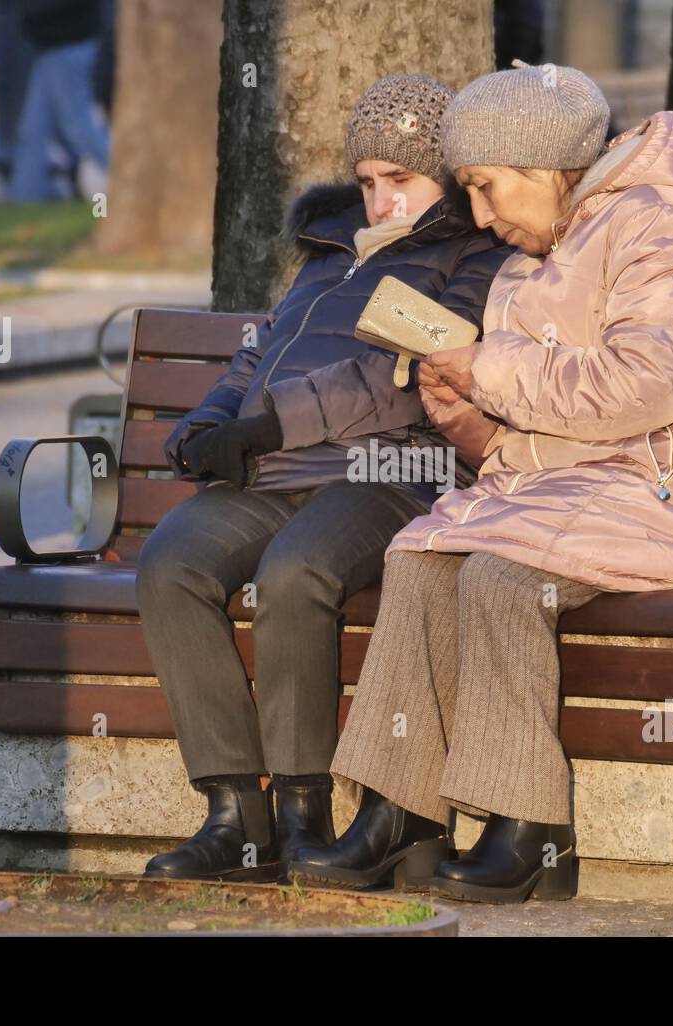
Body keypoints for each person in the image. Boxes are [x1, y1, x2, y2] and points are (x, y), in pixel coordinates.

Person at [290, 61, 673, 903]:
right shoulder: (532, 257)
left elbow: (644, 385)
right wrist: (469, 418)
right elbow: (535, 435)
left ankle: (531, 829)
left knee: (502, 575)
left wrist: (493, 369)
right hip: (584, 493)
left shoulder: (660, 228)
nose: (481, 215)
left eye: (485, 188)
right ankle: (397, 811)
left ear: (544, 166)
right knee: (421, 554)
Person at [135, 74, 509, 883]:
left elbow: (400, 379)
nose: (381, 202)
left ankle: (306, 811)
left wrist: (271, 423)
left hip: (386, 469)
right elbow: (255, 352)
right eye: (368, 182)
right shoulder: (329, 254)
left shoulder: (476, 258)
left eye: (401, 181)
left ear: (445, 177)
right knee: (172, 563)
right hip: (275, 470)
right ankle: (236, 813)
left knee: (297, 570)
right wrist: (210, 421)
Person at [7, 0, 111, 201]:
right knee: (33, 129)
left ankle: (128, 178)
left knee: (78, 127)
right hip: (47, 45)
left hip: (69, 40)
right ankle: (24, 197)